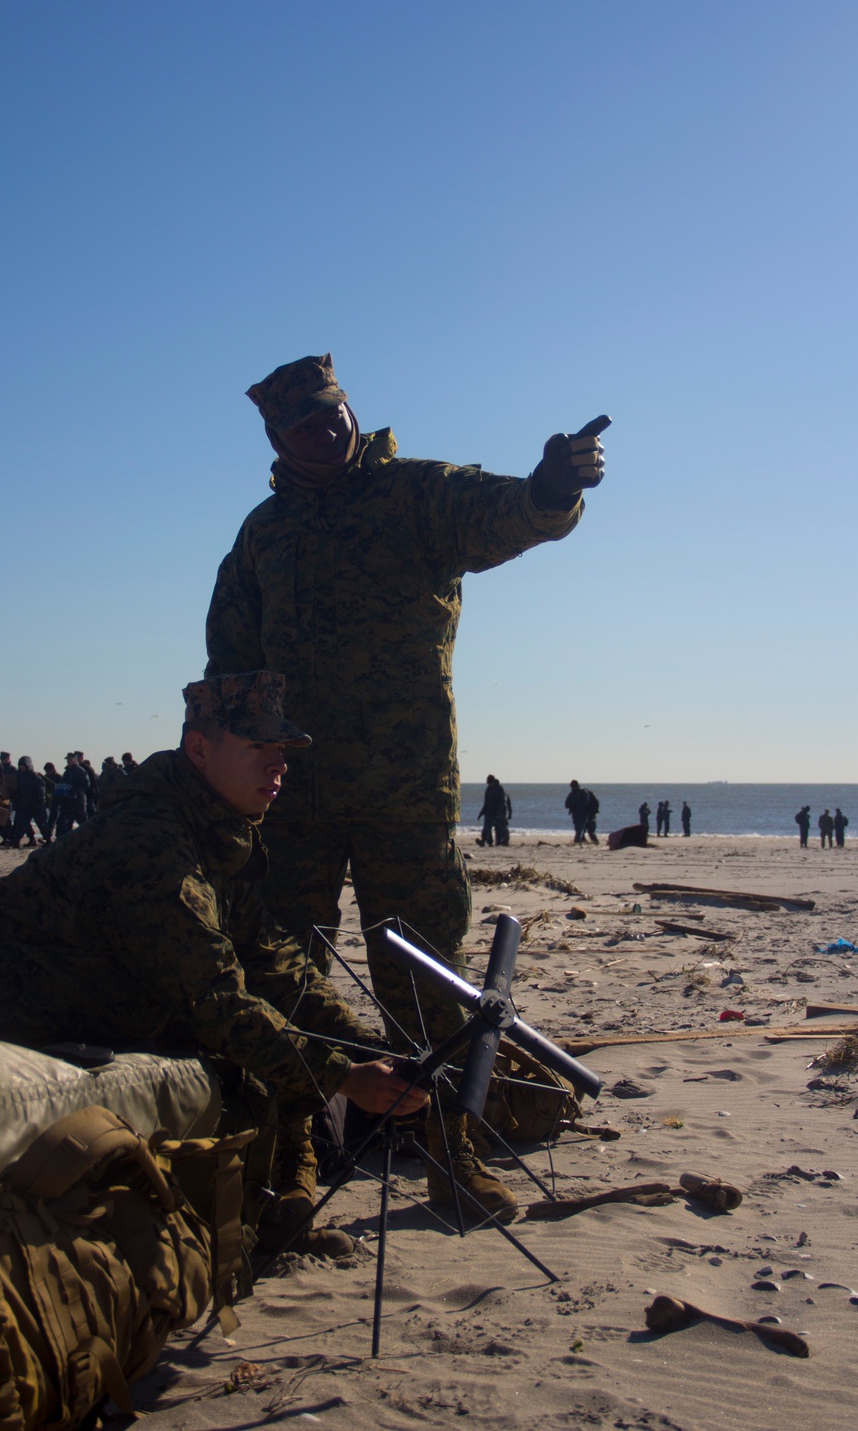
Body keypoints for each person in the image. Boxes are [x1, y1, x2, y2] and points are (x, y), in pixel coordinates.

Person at [205, 352, 608, 1211]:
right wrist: (217, 782)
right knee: (286, 972)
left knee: (426, 979)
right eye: (305, 421)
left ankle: (450, 1158)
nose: (327, 427)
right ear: (276, 437)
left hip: (406, 791)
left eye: (333, 411)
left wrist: (550, 488)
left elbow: (508, 515)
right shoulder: (261, 535)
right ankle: (299, 1156)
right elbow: (229, 667)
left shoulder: (415, 494)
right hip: (292, 800)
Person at [0, 674, 428, 1255]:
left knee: (272, 1048)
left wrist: (366, 1046)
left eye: (282, 751)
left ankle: (278, 1199)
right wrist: (344, 1078)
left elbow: (276, 962)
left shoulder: (212, 831)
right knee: (236, 1073)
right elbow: (215, 1000)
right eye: (259, 748)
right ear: (199, 749)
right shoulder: (152, 841)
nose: (279, 766)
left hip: (70, 1027)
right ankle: (246, 1221)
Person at [10, 757, 51, 848]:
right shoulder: (19, 776)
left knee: (42, 824)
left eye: (23, 766)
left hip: (36, 805)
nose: (22, 768)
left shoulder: (35, 776)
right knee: (21, 824)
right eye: (20, 766)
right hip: (25, 805)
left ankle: (48, 840)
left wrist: (41, 802)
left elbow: (41, 790)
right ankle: (16, 841)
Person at [56, 752, 89, 837]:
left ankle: (89, 836)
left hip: (78, 801)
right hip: (67, 801)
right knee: (62, 821)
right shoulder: (67, 772)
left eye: (70, 759)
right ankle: (61, 839)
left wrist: (75, 790)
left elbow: (86, 784)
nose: (68, 761)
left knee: (83, 821)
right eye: (67, 759)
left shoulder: (80, 771)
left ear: (75, 760)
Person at [477, 775, 510, 846]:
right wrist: (481, 813)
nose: (489, 784)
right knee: (487, 827)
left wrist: (500, 811)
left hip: (499, 812)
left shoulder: (500, 789)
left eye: (490, 783)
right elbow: (485, 803)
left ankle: (501, 842)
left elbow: (503, 802)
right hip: (489, 812)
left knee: (500, 828)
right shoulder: (488, 789)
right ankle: (485, 841)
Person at [564, 780, 590, 845]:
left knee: (580, 829)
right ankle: (578, 841)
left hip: (582, 813)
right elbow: (566, 804)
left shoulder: (582, 792)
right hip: (575, 814)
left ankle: (578, 841)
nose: (573, 788)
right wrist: (572, 805)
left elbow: (586, 802)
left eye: (573, 786)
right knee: (578, 828)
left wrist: (579, 805)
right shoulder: (572, 794)